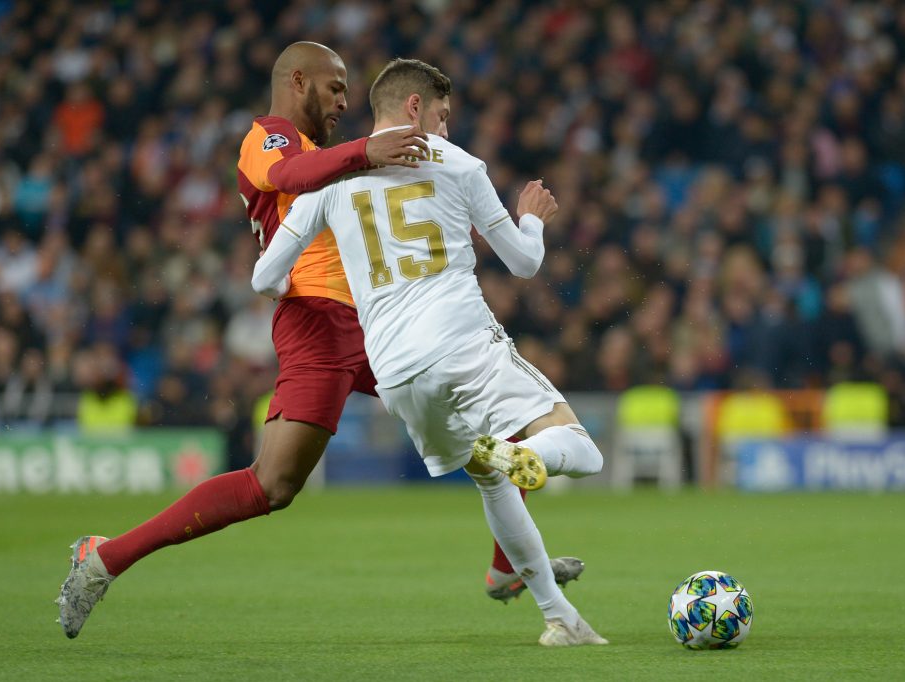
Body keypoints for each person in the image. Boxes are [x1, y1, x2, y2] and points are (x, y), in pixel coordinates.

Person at [56, 43, 579, 640]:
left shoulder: (331, 157)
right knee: (272, 485)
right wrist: (363, 151)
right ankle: (103, 557)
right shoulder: (269, 137)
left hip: (384, 322)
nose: (343, 103)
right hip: (317, 323)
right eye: (334, 90)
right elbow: (288, 178)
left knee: (504, 424)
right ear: (297, 80)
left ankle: (507, 567)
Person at [252, 58, 606, 646]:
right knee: (581, 449)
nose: (444, 130)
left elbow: (266, 277)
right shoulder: (459, 163)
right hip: (462, 340)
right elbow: (523, 263)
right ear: (414, 108)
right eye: (441, 116)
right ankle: (521, 453)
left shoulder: (331, 178)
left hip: (395, 374)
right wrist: (532, 219)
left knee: (490, 483)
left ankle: (560, 620)